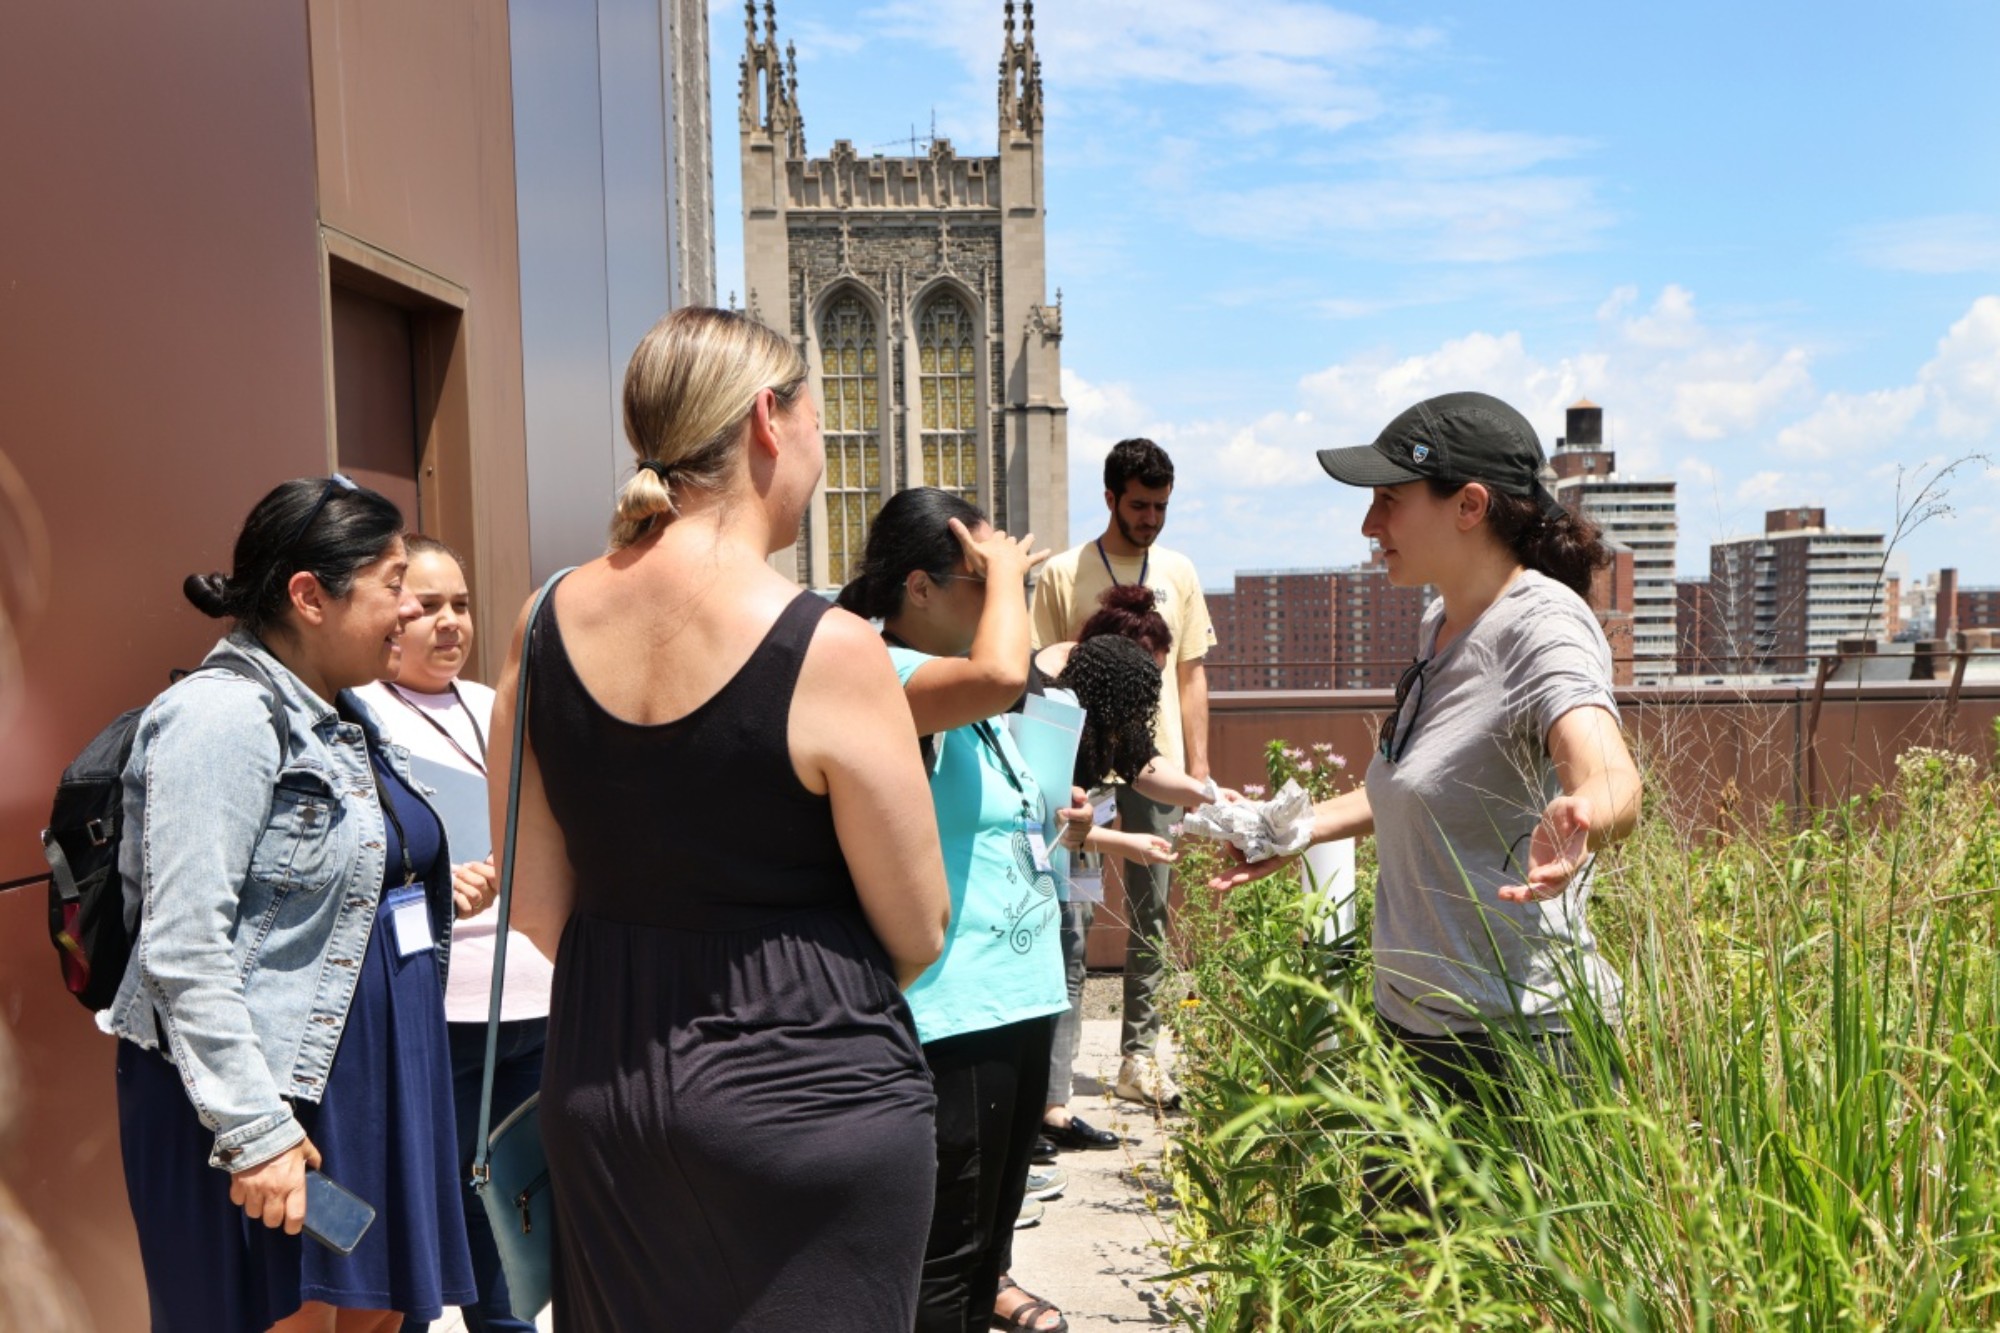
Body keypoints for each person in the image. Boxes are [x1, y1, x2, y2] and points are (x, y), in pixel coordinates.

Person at [488, 307, 949, 1331]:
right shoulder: (826, 647)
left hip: (607, 1092)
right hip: (811, 1098)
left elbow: (534, 901)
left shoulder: (542, 620)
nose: (823, 455)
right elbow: (918, 929)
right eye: (821, 423)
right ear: (765, 423)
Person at [1214, 391, 1644, 1215]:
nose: (1370, 525)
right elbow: (1404, 789)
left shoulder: (1543, 626)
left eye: (1388, 500)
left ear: (1469, 506)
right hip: (1420, 1027)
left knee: (1508, 1295)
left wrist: (1586, 810)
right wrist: (1296, 831)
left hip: (1512, 1042)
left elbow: (1609, 770)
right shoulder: (1441, 627)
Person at [104, 475, 480, 1331]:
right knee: (296, 1318)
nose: (413, 613)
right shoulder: (221, 717)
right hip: (277, 1101)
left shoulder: (343, 714)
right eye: (394, 586)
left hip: (367, 1083)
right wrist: (257, 1131)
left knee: (375, 1314)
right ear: (309, 595)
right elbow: (183, 947)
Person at [835, 485, 1079, 1333]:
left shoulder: (965, 704)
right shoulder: (886, 672)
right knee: (946, 1257)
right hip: (954, 1007)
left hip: (1016, 994)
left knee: (988, 1250)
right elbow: (1005, 671)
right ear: (919, 588)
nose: (1000, 595)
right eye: (979, 577)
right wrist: (1011, 570)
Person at [352, 535, 550, 1333]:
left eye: (460, 605)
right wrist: (435, 890)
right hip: (445, 1013)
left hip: (538, 998)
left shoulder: (494, 701)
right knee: (457, 1227)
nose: (448, 623)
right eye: (424, 606)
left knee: (529, 1207)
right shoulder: (358, 713)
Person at [1031, 438, 1215, 1106]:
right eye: (1139, 504)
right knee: (1069, 923)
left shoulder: (1180, 571)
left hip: (1149, 760)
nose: (1151, 518)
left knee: (1151, 913)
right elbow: (1046, 673)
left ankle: (1139, 1057)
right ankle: (1056, 1080)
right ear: (1110, 497)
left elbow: (1192, 673)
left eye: (1161, 505)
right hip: (1075, 764)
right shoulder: (1063, 573)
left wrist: (1202, 773)